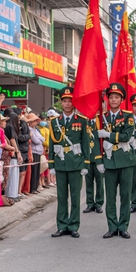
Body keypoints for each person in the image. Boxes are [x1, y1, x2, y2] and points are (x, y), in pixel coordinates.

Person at [48, 86, 91, 238]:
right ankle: (61, 225)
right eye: (64, 101)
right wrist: (51, 164)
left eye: (69, 101)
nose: (67, 104)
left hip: (75, 163)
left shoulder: (82, 121)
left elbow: (85, 143)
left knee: (75, 196)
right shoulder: (54, 122)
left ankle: (73, 225)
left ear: (74, 103)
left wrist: (86, 164)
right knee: (61, 196)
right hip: (60, 163)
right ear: (61, 103)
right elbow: (52, 144)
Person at [98, 83, 136, 239]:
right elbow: (96, 139)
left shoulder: (128, 116)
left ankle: (123, 226)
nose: (113, 100)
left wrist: (108, 135)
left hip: (126, 161)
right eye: (111, 97)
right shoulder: (102, 117)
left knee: (125, 196)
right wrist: (98, 161)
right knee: (111, 197)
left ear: (121, 99)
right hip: (109, 161)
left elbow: (126, 136)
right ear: (108, 99)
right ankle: (112, 226)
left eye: (116, 97)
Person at [83, 113, 104, 213]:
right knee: (88, 182)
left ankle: (99, 203)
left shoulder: (100, 121)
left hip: (98, 157)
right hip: (87, 157)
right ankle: (90, 203)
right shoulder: (84, 122)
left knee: (99, 182)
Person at [27, 113, 44, 194]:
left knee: (37, 171)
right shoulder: (29, 130)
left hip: (38, 152)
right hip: (33, 151)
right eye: (33, 121)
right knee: (33, 171)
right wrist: (39, 140)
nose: (35, 122)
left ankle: (36, 186)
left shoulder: (36, 129)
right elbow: (36, 141)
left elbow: (42, 139)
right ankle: (32, 188)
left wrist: (39, 140)